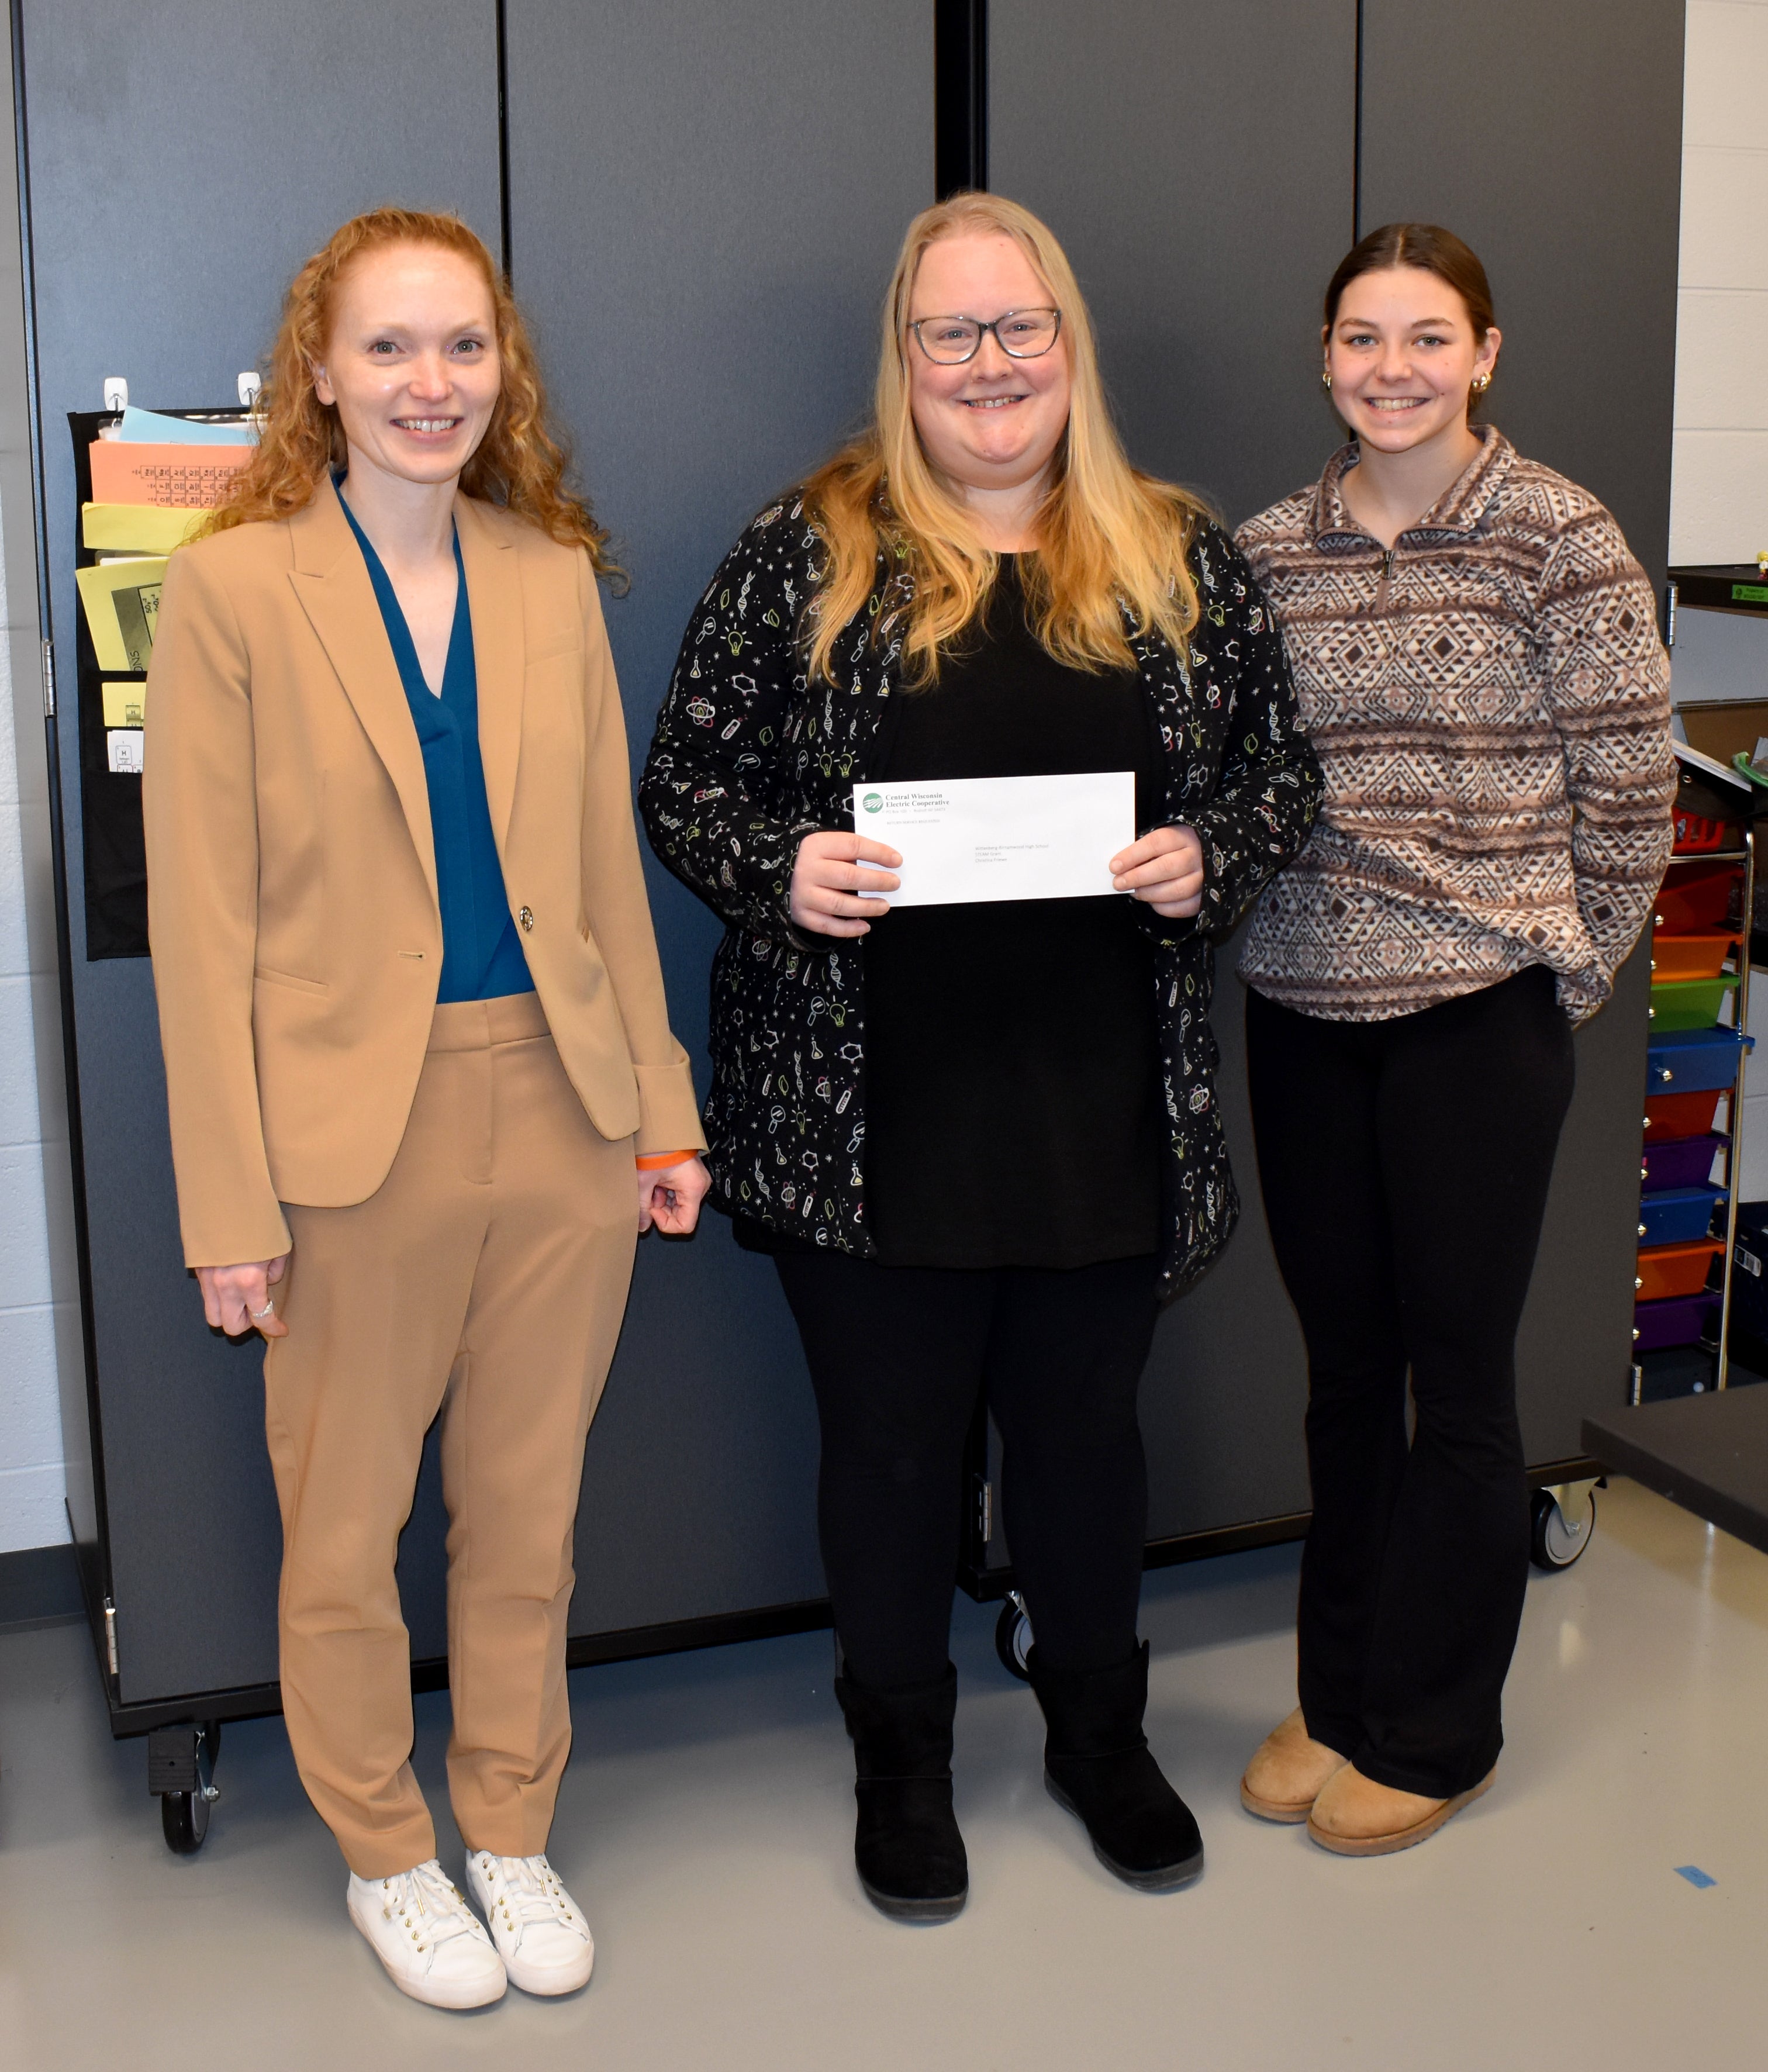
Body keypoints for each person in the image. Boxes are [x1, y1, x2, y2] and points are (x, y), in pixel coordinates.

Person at [640, 192, 1320, 1920]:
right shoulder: (810, 549)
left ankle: (1100, 1733)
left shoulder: (1174, 553)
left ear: (1068, 347)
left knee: (1088, 1445)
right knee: (886, 1453)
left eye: (1020, 327)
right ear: (906, 356)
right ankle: (906, 1753)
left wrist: (1210, 858)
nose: (990, 363)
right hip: (870, 1109)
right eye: (952, 333)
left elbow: (1277, 776)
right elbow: (686, 779)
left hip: (1101, 1104)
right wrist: (778, 865)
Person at [143, 208, 708, 2007]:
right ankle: (388, 1847)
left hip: (560, 1107)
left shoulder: (547, 576)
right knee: (344, 1527)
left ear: (502, 372)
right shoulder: (232, 591)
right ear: (317, 371)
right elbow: (203, 928)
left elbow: (605, 883)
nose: (429, 383)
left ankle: (511, 1826)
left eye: (462, 348)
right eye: (388, 348)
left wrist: (663, 1111)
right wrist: (227, 1209)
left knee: (528, 1514)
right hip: (339, 1146)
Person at [1234, 223, 1674, 1855]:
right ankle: (1339, 1692)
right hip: (1302, 1010)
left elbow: (1634, 784)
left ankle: (1438, 1726)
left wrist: (1557, 971)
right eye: (1363, 338)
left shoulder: (1559, 536)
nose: (1393, 370)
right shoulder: (1270, 547)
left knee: (1458, 1384)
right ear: (1325, 355)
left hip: (1475, 1021)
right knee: (1343, 1379)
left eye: (1429, 338)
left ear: (1485, 354)